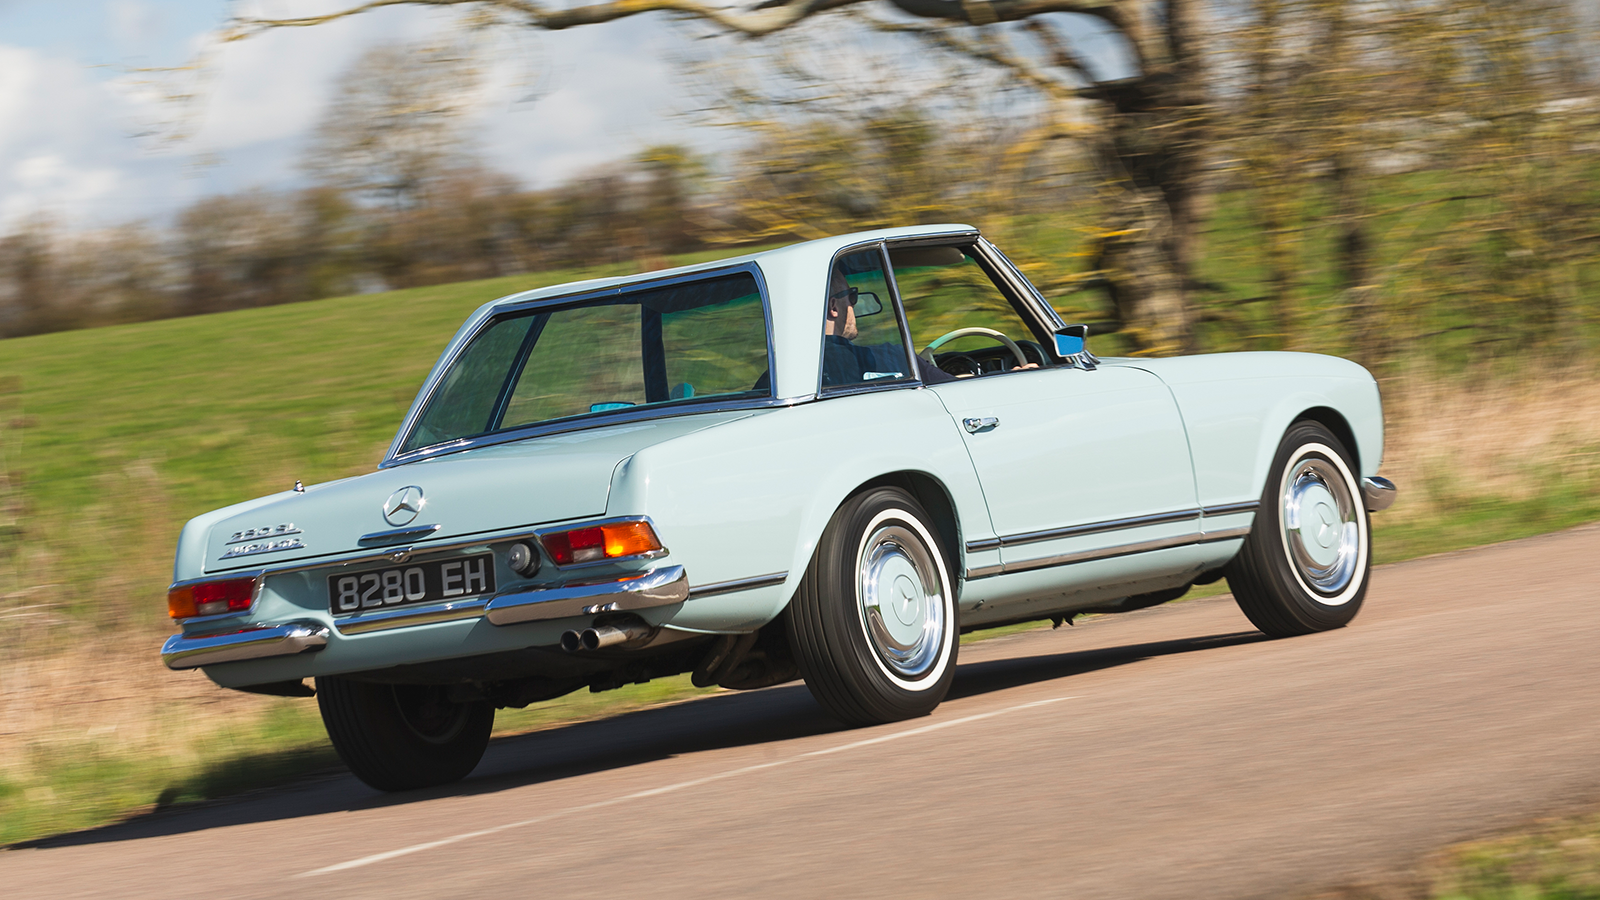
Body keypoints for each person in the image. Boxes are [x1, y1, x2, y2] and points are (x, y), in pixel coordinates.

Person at [822, 266, 958, 386]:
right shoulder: (892, 358)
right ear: (833, 307)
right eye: (852, 296)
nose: (854, 304)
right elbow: (955, 390)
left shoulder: (809, 368)